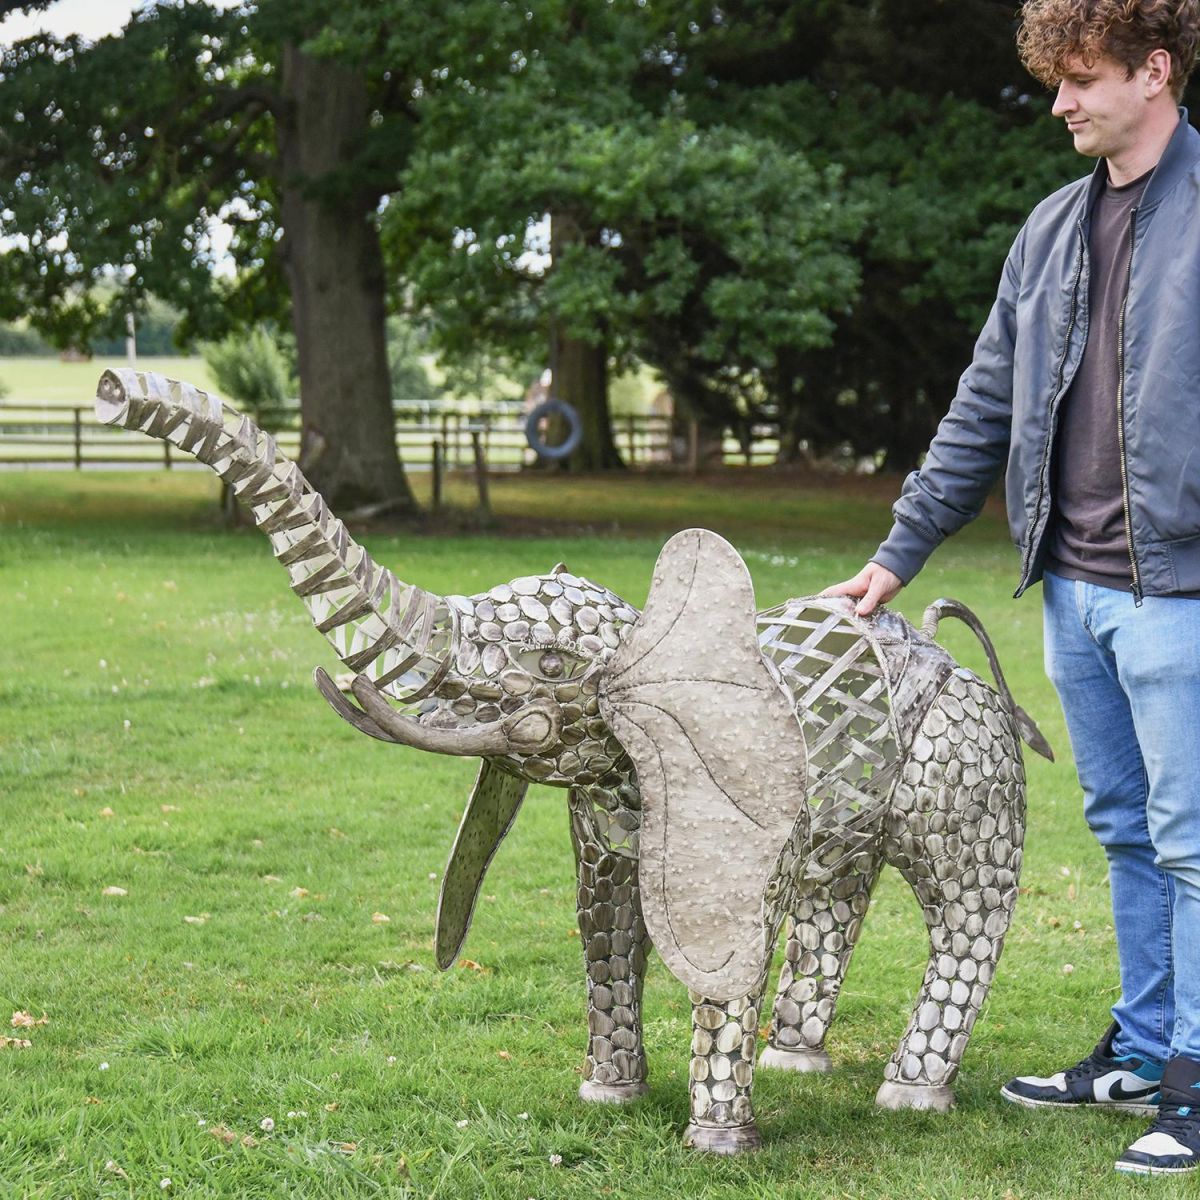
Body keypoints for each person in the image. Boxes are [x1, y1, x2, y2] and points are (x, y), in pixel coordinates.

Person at [825, 0, 1200, 1177]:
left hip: (1181, 594)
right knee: (1126, 833)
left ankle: (1196, 1080)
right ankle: (1143, 1050)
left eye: (1080, 79)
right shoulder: (1049, 230)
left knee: (1195, 844)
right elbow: (984, 402)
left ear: (1155, 70)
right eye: (1053, 80)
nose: (1059, 104)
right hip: (1074, 593)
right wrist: (900, 552)